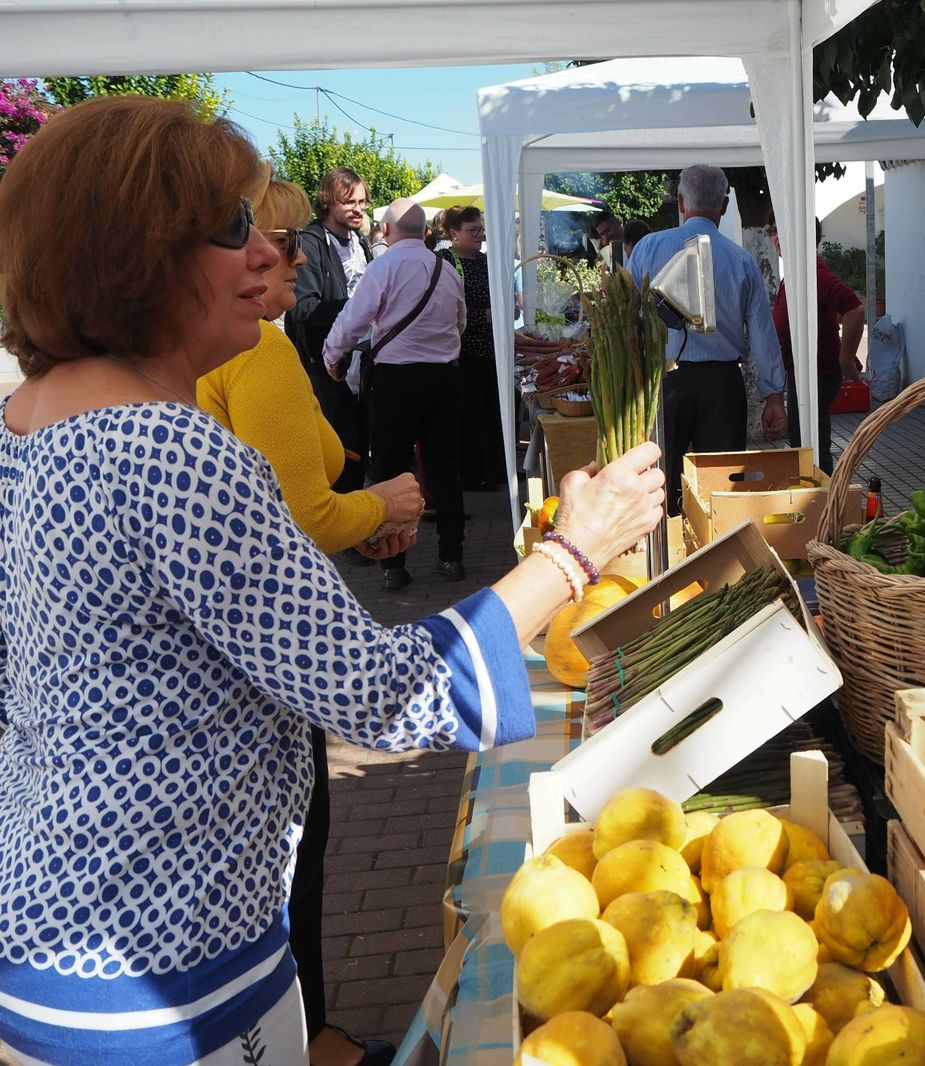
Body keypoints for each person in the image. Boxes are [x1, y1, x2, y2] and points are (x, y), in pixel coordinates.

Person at [0, 96, 665, 1066]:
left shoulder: (22, 427)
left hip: (48, 952)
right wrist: (572, 554)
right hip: (165, 985)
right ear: (134, 255)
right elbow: (385, 694)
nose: (272, 255)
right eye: (233, 230)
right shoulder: (170, 452)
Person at [195, 176, 425, 1066]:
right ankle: (311, 1033)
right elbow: (300, 518)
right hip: (264, 680)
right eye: (256, 239)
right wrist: (567, 564)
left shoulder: (246, 359)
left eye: (271, 240)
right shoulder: (250, 358)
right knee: (300, 849)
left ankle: (301, 1029)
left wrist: (356, 514)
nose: (270, 259)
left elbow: (300, 500)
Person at [325, 198, 469, 591]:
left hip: (396, 380)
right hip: (444, 377)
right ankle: (451, 557)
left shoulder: (383, 266)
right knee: (443, 468)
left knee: (390, 469)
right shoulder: (446, 269)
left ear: (386, 232)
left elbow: (352, 320)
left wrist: (330, 357)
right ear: (425, 231)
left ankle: (394, 566)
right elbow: (461, 323)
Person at [627, 164, 787, 514]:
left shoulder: (646, 249)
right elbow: (763, 332)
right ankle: (719, 560)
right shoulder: (741, 260)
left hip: (661, 383)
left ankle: (664, 559)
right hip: (722, 386)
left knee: (659, 487)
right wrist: (774, 394)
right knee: (722, 491)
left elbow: (629, 324)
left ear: (680, 201)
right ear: (725, 205)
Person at [285, 167, 371, 496]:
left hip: (360, 364)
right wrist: (357, 308)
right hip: (325, 366)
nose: (358, 209)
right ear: (329, 202)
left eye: (362, 202)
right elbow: (302, 307)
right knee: (340, 451)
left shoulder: (359, 240)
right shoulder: (312, 241)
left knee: (360, 445)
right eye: (349, 202)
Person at [769, 215, 865, 475]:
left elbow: (855, 309)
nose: (777, 237)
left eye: (782, 230)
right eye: (773, 231)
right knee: (805, 448)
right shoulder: (795, 273)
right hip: (802, 375)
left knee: (812, 452)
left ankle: (825, 506)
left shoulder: (813, 271)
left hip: (817, 375)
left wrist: (846, 359)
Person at [437, 205, 502, 489]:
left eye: (481, 230)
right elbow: (442, 309)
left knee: (494, 413)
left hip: (491, 351)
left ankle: (498, 470)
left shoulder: (488, 261)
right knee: (468, 415)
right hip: (461, 354)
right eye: (472, 230)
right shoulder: (445, 261)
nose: (479, 235)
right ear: (454, 234)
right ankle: (473, 474)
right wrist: (484, 315)